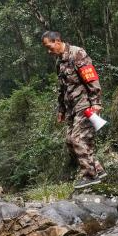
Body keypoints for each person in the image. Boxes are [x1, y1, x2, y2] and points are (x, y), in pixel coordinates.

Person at [42, 31, 107, 189]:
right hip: (71, 108)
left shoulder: (77, 54)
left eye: (49, 47)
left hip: (85, 105)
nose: (48, 51)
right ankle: (98, 169)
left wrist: (96, 103)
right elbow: (62, 89)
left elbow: (91, 78)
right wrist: (61, 110)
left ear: (57, 41)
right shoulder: (60, 62)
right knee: (69, 142)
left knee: (78, 139)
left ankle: (90, 175)